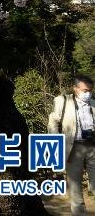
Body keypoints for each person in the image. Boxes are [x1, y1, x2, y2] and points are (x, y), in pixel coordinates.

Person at [48, 73, 95, 216]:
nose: (88, 94)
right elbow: (53, 122)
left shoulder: (93, 103)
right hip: (73, 148)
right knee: (75, 189)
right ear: (75, 89)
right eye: (85, 91)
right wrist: (56, 143)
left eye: (90, 91)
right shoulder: (63, 101)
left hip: (93, 147)